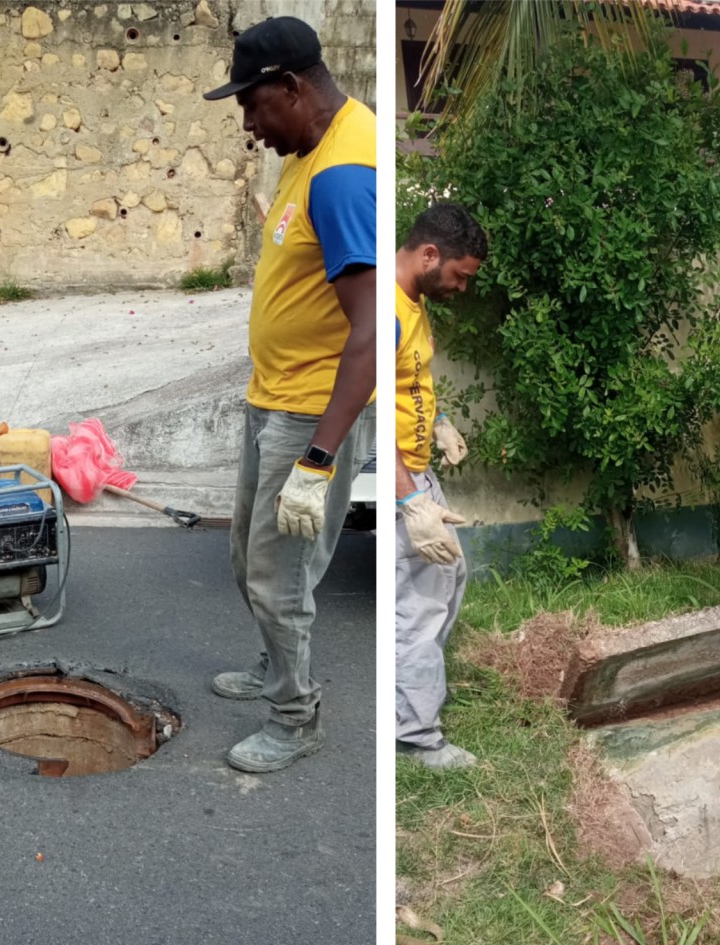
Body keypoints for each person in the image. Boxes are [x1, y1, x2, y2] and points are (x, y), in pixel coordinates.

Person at [203, 16, 376, 773]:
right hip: (271, 396)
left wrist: (318, 459)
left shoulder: (342, 175)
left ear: (293, 88)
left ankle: (295, 717)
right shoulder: (306, 150)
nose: (249, 125)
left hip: (310, 411)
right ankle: (276, 668)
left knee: (281, 577)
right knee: (249, 560)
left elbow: (371, 331)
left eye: (253, 105)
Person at [394, 203, 487, 769]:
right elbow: (371, 409)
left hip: (419, 464)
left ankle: (413, 703)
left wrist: (441, 419)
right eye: (461, 275)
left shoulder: (415, 301)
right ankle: (416, 734)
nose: (463, 287)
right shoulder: (388, 308)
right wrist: (409, 501)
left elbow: (410, 380)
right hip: (399, 474)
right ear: (431, 254)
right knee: (418, 608)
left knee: (448, 577)